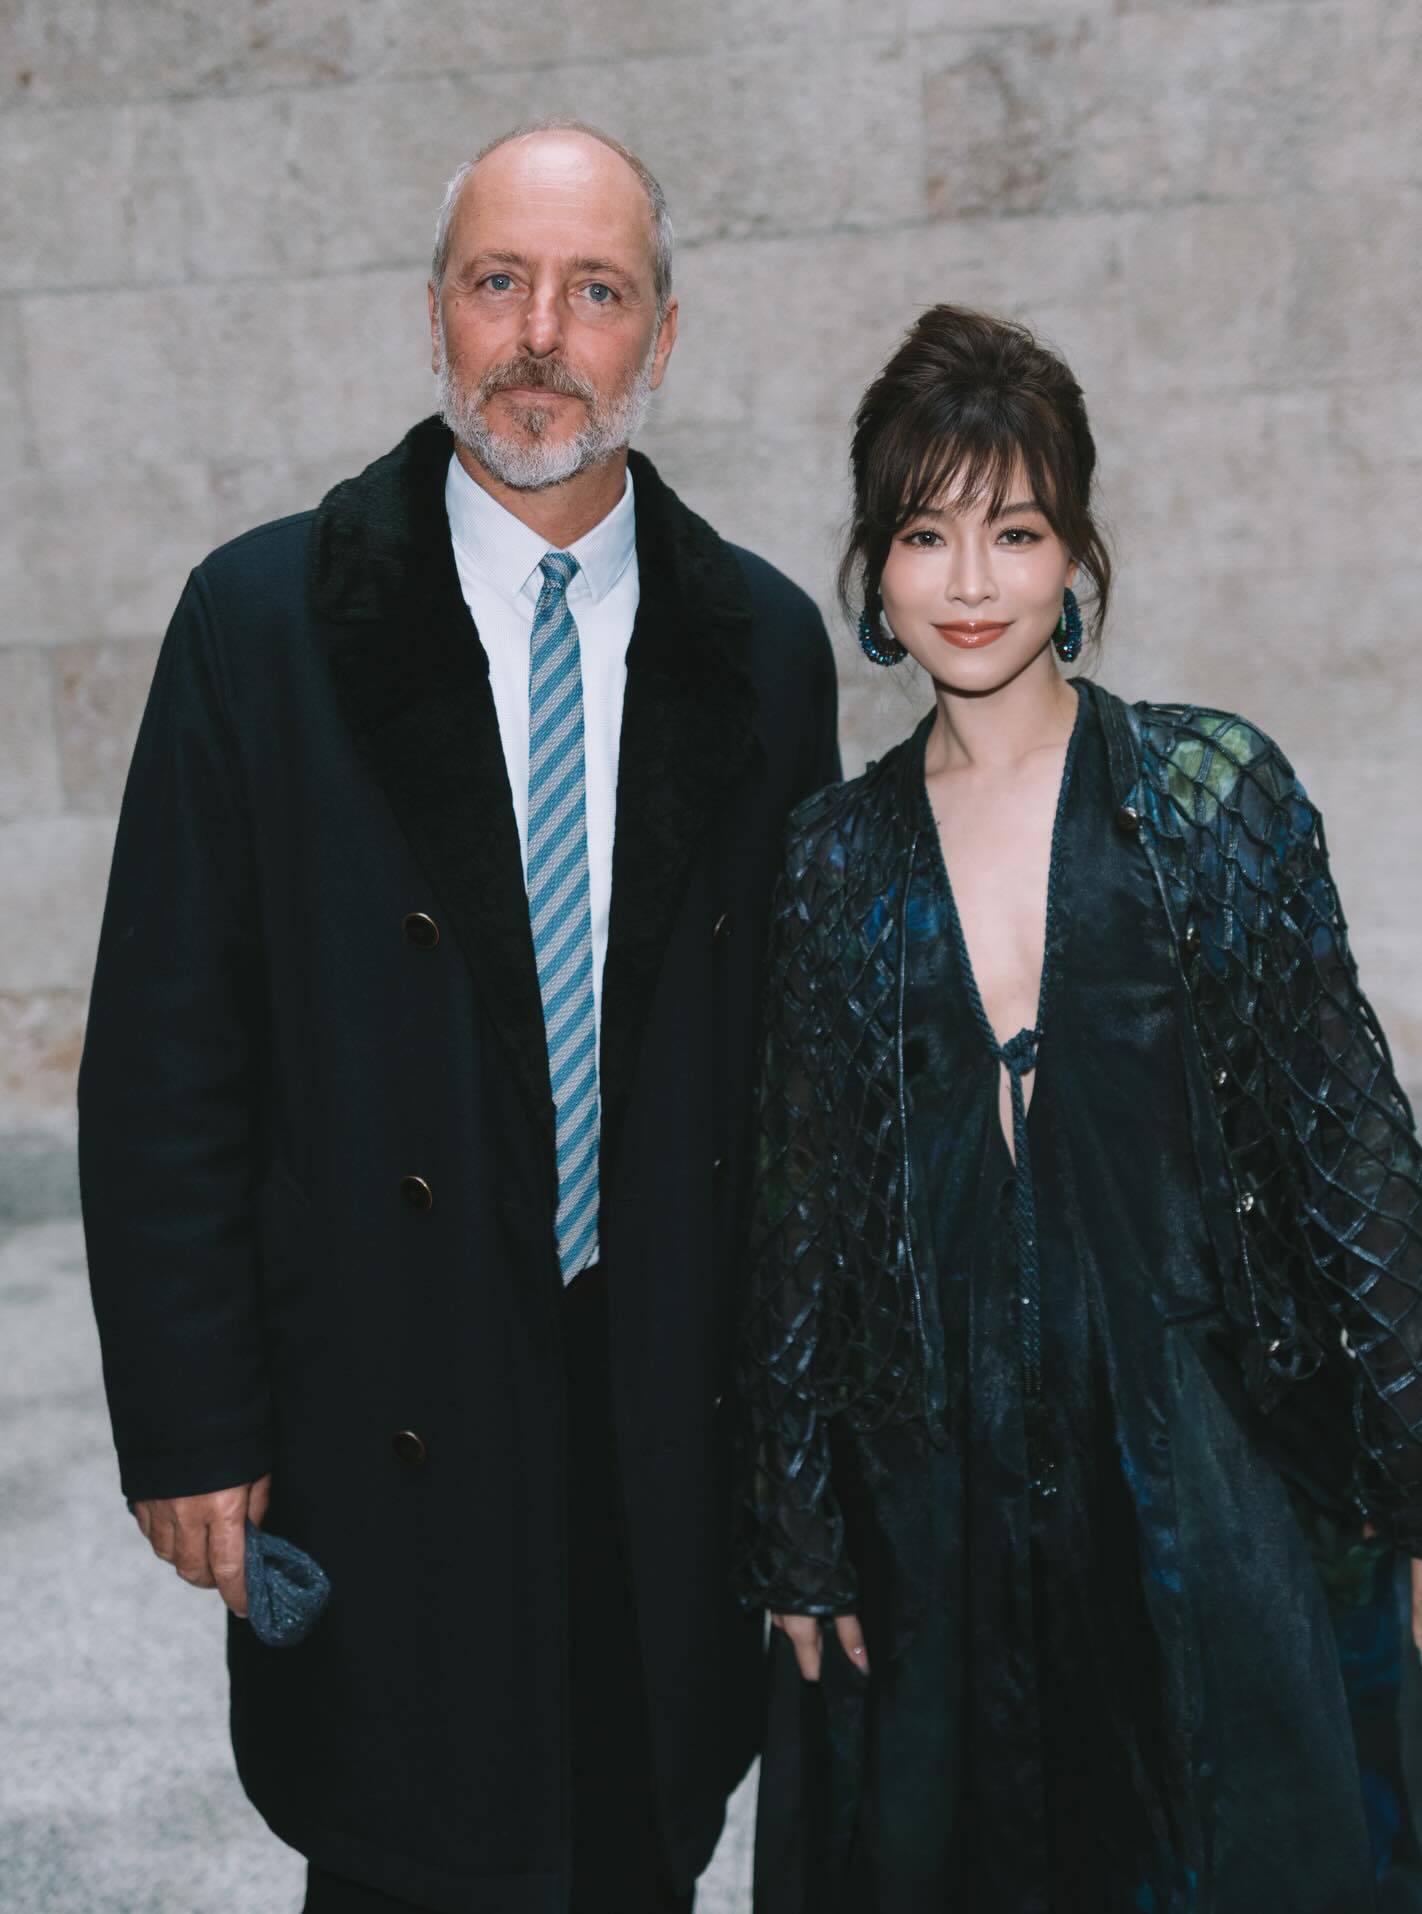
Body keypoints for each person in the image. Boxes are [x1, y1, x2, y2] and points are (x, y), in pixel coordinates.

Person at [79, 121, 838, 1914]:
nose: (540, 335)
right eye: (500, 281)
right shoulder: (264, 623)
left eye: (596, 291)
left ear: (663, 336)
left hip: (659, 1401)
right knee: (398, 1846)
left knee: (637, 1838)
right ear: (436, 313)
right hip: (380, 1397)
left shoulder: (763, 645)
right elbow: (168, 1054)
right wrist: (190, 1421)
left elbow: (803, 1087)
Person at [734, 304, 1422, 1913]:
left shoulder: (1213, 793)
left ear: (1076, 550)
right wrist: (798, 1523)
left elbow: (1349, 1149)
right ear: (876, 569)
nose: (970, 580)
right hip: (937, 1501)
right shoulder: (832, 860)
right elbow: (802, 1212)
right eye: (926, 534)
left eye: (1016, 529)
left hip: (1206, 1477)